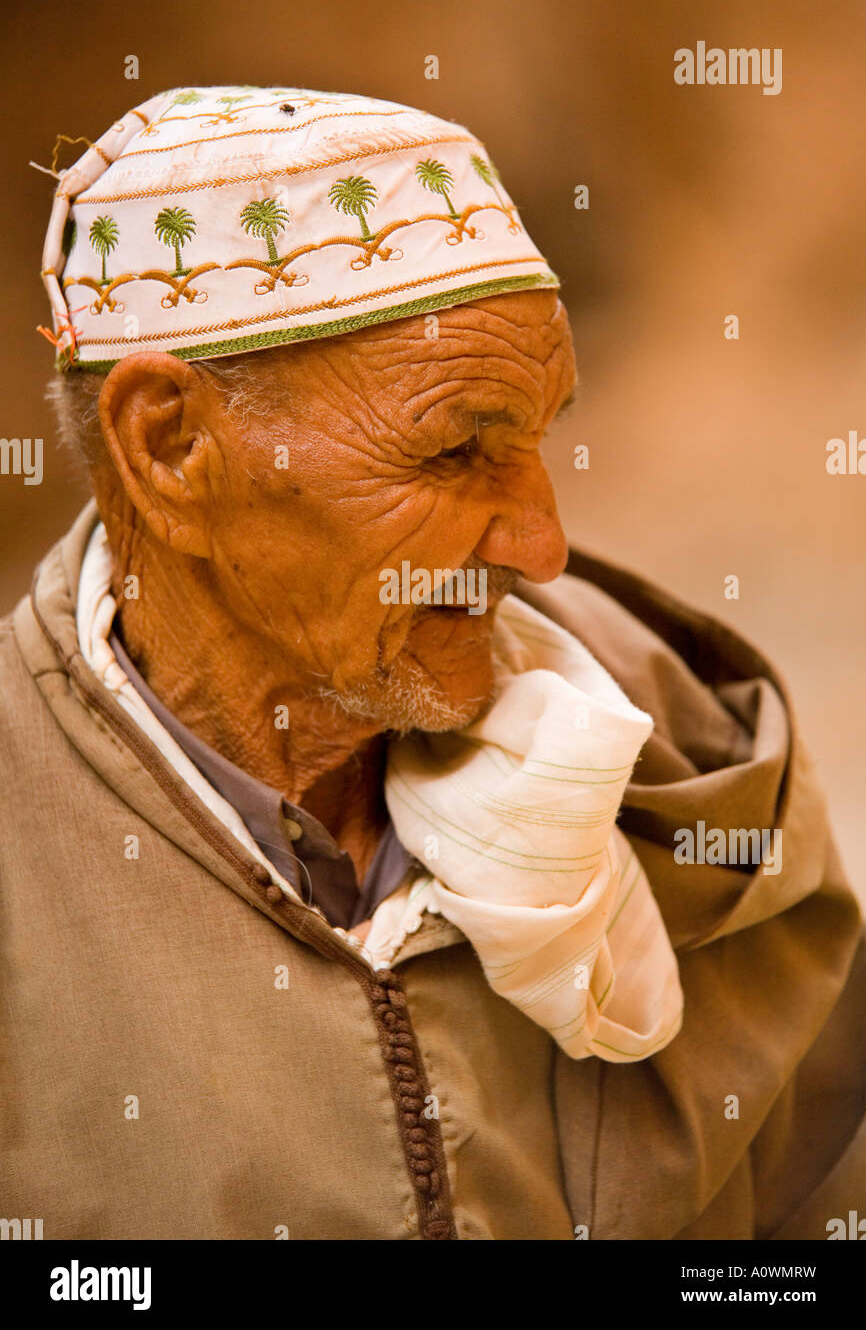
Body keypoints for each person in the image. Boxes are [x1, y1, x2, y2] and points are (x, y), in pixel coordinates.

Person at [1, 86, 862, 1240]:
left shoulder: (678, 741)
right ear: (172, 446)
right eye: (456, 448)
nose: (541, 544)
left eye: (539, 435)